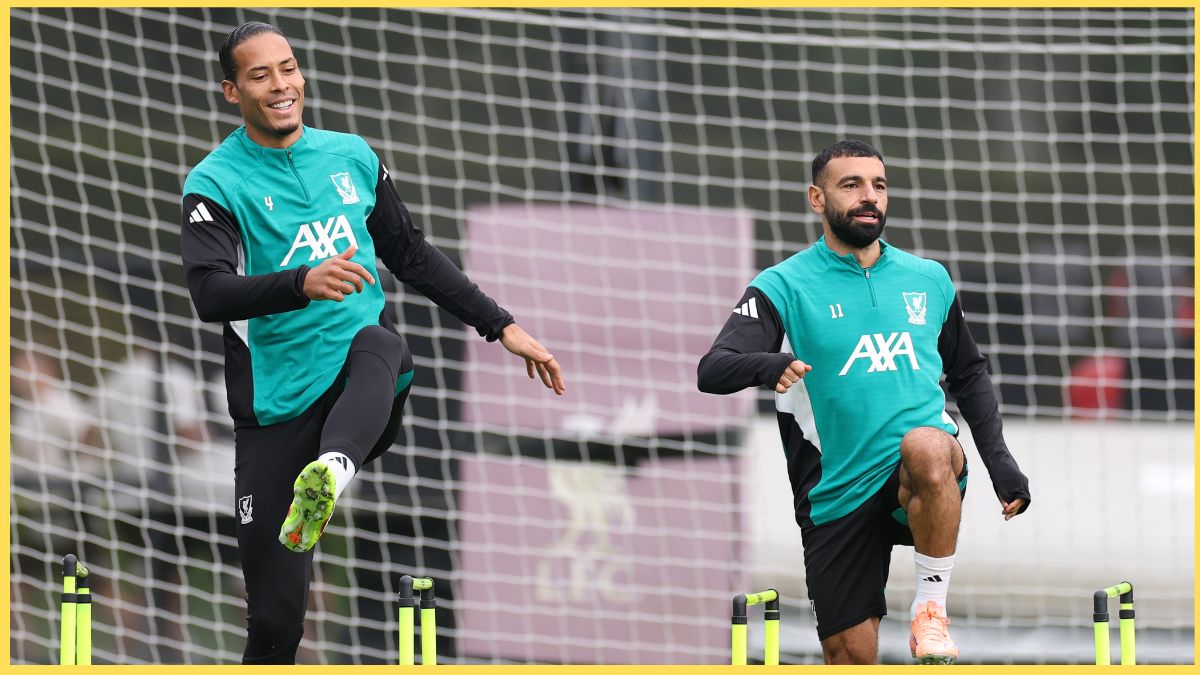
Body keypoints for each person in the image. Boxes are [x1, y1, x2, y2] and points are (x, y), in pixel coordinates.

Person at [180, 22, 565, 664]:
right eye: (260, 74)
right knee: (275, 624)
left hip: (359, 396)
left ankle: (331, 473)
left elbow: (410, 254)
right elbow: (211, 294)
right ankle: (314, 489)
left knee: (380, 343)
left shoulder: (352, 156)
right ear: (231, 91)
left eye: (289, 68)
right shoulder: (214, 184)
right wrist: (302, 281)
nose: (281, 85)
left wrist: (502, 325)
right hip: (275, 410)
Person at [697, 140, 1030, 665]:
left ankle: (930, 612)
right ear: (816, 198)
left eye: (878, 185)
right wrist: (768, 364)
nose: (868, 196)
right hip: (836, 490)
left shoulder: (928, 279)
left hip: (918, 471)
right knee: (849, 654)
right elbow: (712, 370)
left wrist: (1002, 466)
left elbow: (968, 373)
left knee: (927, 445)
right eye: (850, 185)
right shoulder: (782, 285)